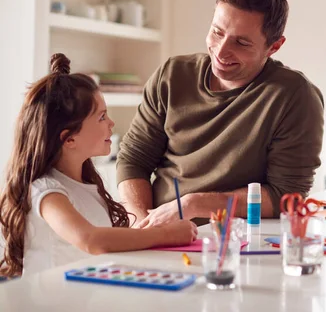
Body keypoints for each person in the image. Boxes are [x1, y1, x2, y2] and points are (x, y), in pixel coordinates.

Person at [117, 0, 325, 228]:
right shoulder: (172, 75)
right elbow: (133, 160)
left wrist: (193, 204)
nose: (221, 50)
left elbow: (286, 196)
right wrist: (142, 224)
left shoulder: (294, 96)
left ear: (274, 47)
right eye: (217, 32)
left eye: (242, 43)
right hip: (160, 231)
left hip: (237, 240)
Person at [0, 54, 197, 277]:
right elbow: (91, 240)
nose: (111, 123)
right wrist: (165, 234)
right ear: (69, 139)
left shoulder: (86, 185)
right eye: (102, 117)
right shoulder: (47, 192)